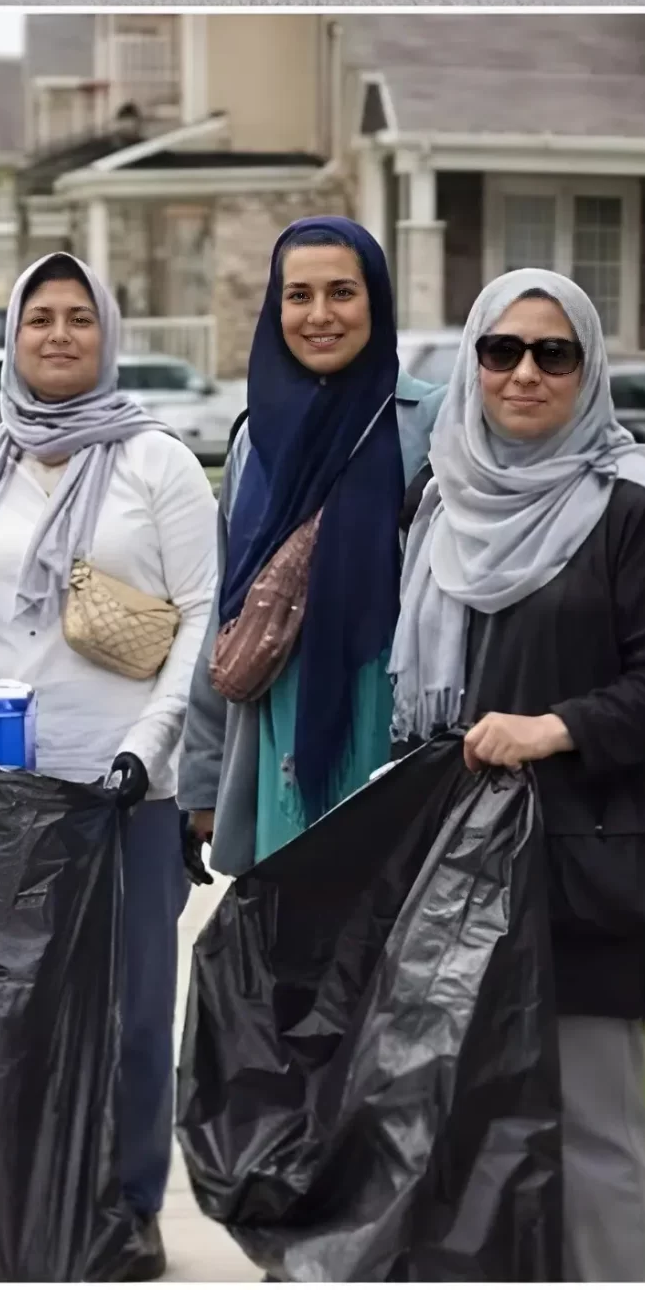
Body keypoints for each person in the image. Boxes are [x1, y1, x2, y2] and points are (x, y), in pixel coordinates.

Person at [0, 253, 217, 1285]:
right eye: (37, 317)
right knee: (10, 1005)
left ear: (107, 332)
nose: (55, 334)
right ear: (11, 333)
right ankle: (26, 1189)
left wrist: (152, 746)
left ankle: (128, 1204)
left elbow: (204, 616)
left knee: (131, 1011)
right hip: (1, 788)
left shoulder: (156, 462)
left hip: (122, 784)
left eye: (76, 317)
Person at [389, 269, 645, 1283]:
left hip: (588, 862)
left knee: (591, 1130)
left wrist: (554, 727)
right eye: (500, 350)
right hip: (460, 863)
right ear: (472, 363)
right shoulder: (441, 499)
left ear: (586, 367)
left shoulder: (631, 505)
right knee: (471, 1120)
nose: (523, 372)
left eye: (552, 353)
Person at [179, 221, 444, 875]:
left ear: (375, 303)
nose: (319, 315)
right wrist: (206, 782)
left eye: (341, 293)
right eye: (298, 295)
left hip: (396, 742)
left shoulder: (431, 425)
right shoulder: (254, 443)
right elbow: (227, 612)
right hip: (277, 745)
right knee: (287, 958)